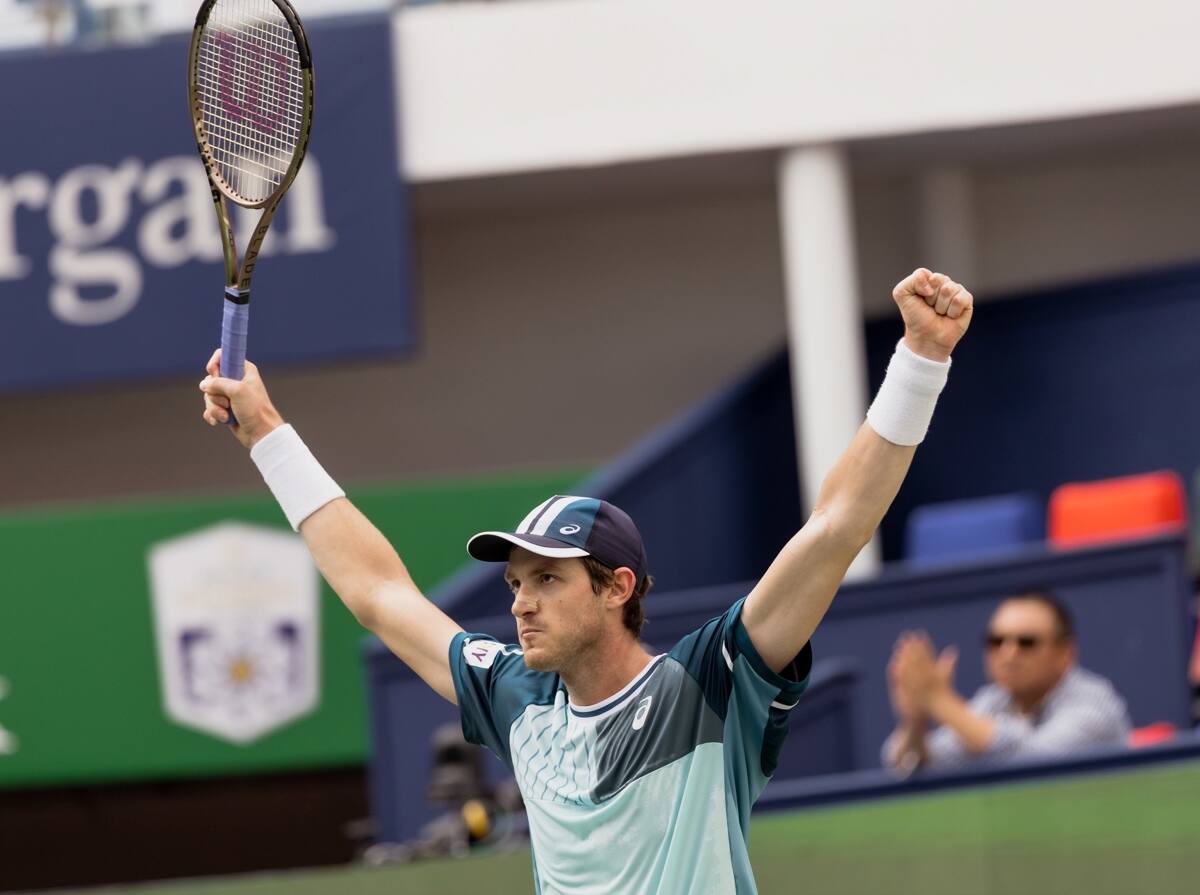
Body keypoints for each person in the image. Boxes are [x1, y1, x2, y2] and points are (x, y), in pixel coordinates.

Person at [198, 268, 973, 895]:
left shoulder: (708, 683)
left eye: (545, 578)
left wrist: (919, 362)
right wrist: (267, 432)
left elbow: (835, 526)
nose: (520, 602)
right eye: (513, 582)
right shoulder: (519, 699)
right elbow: (379, 593)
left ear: (616, 587)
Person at [883, 591, 1131, 773]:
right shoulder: (993, 701)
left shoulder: (1095, 703)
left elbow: (1035, 763)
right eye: (996, 641)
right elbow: (913, 762)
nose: (1008, 653)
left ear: (1065, 653)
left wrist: (939, 701)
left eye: (1026, 642)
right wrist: (915, 724)